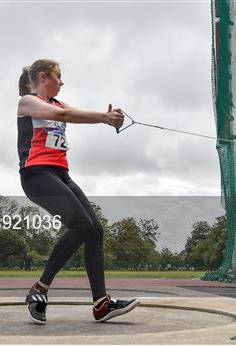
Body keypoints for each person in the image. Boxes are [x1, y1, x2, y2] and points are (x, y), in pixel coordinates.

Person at [17, 59, 140, 324]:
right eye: (58, 77)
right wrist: (105, 118)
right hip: (36, 175)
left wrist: (106, 119)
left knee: (95, 229)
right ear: (43, 77)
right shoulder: (27, 102)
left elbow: (75, 113)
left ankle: (101, 303)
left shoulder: (59, 104)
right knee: (81, 225)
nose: (62, 82)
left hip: (61, 174)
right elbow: (63, 117)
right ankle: (40, 288)